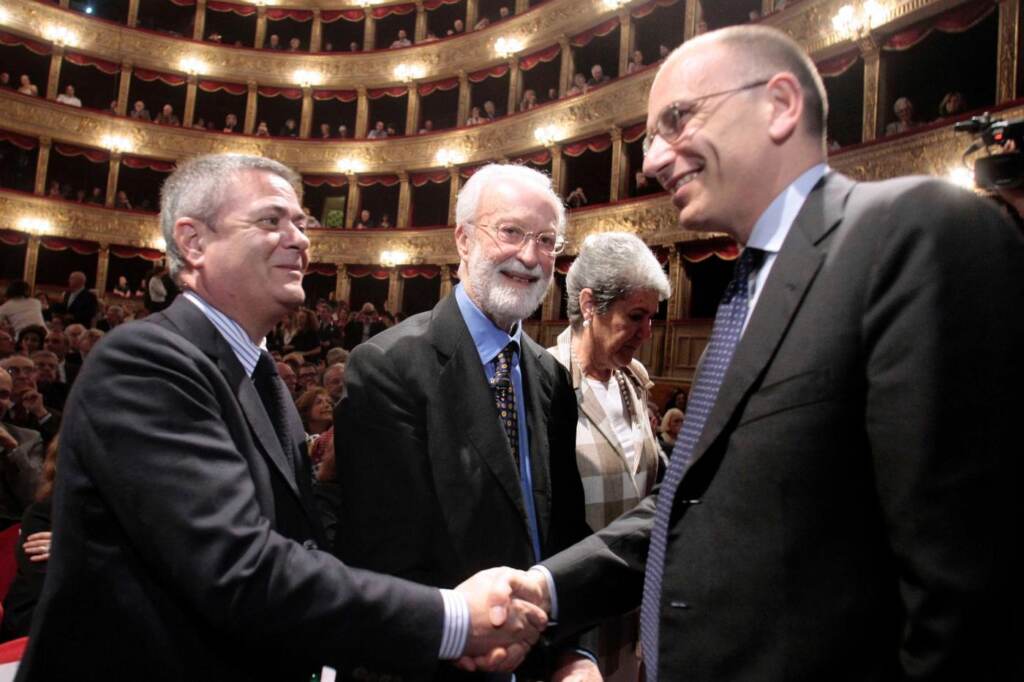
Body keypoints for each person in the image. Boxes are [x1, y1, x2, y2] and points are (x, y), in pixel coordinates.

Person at [511, 25, 1022, 681]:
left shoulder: (916, 233)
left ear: (780, 104)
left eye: (676, 121)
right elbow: (692, 509)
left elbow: (969, 595)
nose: (652, 161)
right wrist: (545, 590)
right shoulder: (746, 294)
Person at [17, 153, 549, 680]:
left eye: (301, 222)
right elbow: (239, 569)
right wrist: (453, 617)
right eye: (271, 221)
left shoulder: (259, 378)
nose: (299, 239)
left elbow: (302, 544)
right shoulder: (144, 364)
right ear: (193, 241)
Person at [332, 163, 596, 681]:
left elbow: (565, 534)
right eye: (511, 232)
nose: (529, 256)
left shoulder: (551, 378)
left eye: (546, 241)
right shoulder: (388, 367)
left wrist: (574, 653)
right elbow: (384, 560)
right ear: (463, 240)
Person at [545, 232, 669, 682]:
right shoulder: (544, 379)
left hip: (636, 610)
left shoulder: (633, 377)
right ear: (590, 304)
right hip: (576, 621)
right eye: (635, 316)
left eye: (653, 318)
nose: (647, 333)